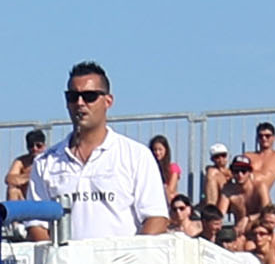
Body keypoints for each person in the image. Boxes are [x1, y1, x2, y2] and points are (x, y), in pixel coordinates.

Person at [18, 63, 178, 239]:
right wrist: (58, 255)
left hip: (122, 257)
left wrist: (130, 254)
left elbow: (156, 218)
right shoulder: (45, 163)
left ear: (108, 101)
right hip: (65, 257)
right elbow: (36, 225)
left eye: (90, 96)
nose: (80, 103)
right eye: (73, 97)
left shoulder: (137, 156)